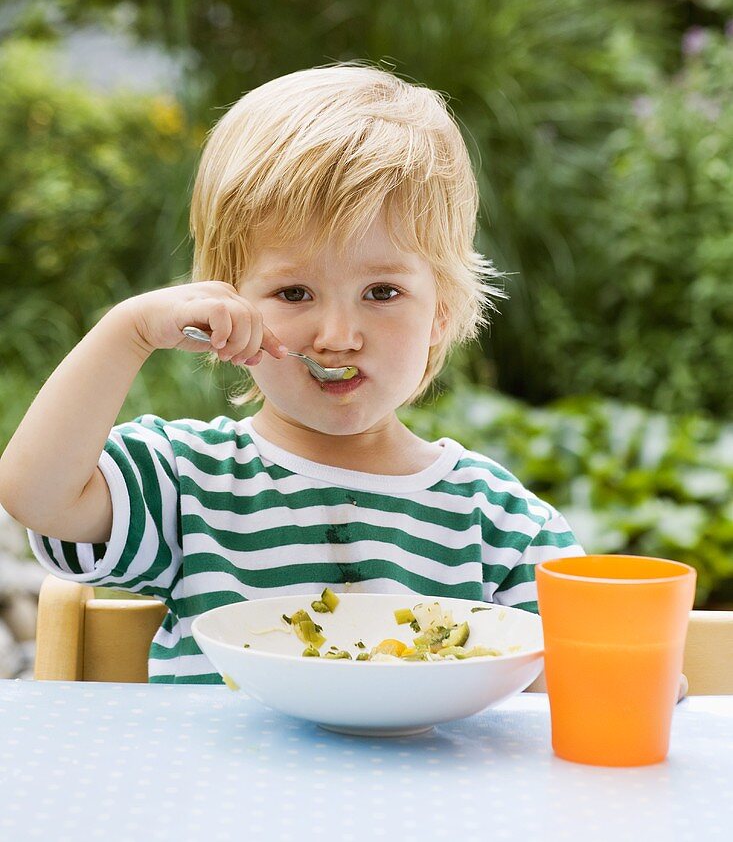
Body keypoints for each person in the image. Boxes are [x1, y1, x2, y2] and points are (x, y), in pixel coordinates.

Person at [0, 63, 583, 683]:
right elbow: (37, 496)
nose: (337, 336)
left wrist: (614, 675)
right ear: (226, 302)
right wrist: (129, 331)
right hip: (219, 783)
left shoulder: (501, 524)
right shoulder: (188, 482)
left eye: (382, 292)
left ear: (440, 312)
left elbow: (570, 679)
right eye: (295, 292)